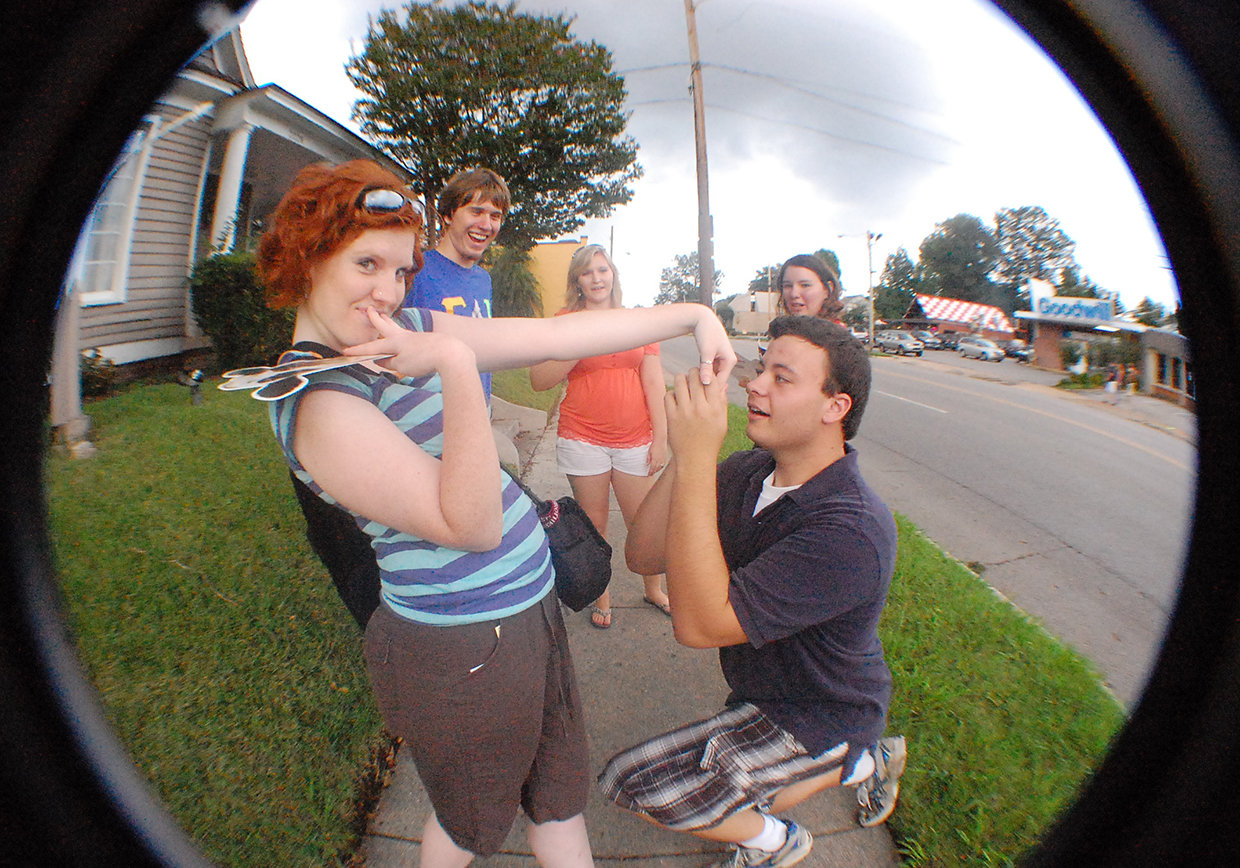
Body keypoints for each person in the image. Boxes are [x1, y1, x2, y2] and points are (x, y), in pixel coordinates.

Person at [254, 159, 736, 868]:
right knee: (469, 825)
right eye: (367, 264)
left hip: (530, 607)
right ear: (307, 257)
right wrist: (453, 363)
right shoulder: (320, 404)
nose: (388, 290)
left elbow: (556, 338)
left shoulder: (403, 328)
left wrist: (695, 316)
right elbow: (472, 525)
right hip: (462, 644)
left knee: (558, 802)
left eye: (400, 269)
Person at [599, 316, 905, 868]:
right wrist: (686, 456)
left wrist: (699, 458)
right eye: (761, 369)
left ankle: (781, 838)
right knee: (730, 792)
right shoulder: (748, 472)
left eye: (781, 378)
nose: (754, 384)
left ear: (835, 407)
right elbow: (642, 557)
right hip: (761, 694)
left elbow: (700, 627)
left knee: (633, 783)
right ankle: (861, 762)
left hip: (821, 713)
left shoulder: (852, 530)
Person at [529, 244, 670, 630]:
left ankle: (654, 589)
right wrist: (581, 341)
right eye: (587, 271)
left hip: (636, 438)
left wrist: (660, 438)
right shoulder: (565, 321)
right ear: (577, 280)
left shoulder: (637, 321)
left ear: (613, 275)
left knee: (643, 522)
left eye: (603, 270)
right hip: (583, 438)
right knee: (594, 525)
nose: (596, 278)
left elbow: (653, 380)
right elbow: (539, 380)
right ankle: (601, 596)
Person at [402, 167, 510, 400]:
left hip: (477, 412)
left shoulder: (484, 280)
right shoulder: (413, 272)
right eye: (476, 211)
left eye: (495, 216)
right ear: (449, 215)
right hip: (424, 416)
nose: (486, 225)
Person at [775, 254, 844, 321]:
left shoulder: (836, 329)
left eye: (805, 285)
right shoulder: (777, 327)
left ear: (827, 290)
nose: (794, 294)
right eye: (787, 286)